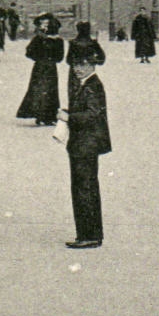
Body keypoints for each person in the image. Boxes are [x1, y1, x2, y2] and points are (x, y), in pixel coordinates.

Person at [58, 51, 111, 248]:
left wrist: (69, 117)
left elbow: (93, 114)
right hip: (83, 143)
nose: (78, 69)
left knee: (84, 189)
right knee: (84, 188)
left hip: (86, 144)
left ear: (93, 65)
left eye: (83, 64)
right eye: (75, 65)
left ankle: (89, 235)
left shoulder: (92, 86)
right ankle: (88, 234)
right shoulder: (86, 84)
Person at [16, 13, 65, 125]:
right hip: (51, 67)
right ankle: (50, 115)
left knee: (37, 89)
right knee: (51, 90)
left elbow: (29, 53)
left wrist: (38, 57)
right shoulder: (58, 41)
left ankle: (39, 114)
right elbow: (60, 58)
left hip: (39, 66)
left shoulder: (38, 39)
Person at [66, 21, 106, 102]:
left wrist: (76, 62)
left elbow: (68, 60)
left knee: (75, 96)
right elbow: (102, 59)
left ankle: (74, 113)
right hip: (88, 71)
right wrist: (92, 60)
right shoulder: (93, 43)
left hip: (74, 72)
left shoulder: (73, 43)